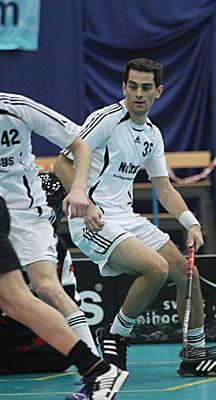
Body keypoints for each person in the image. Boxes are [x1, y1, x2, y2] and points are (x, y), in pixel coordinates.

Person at [54, 57, 216, 377]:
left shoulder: (152, 134)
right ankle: (115, 335)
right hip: (92, 219)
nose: (139, 93)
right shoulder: (106, 120)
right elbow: (62, 163)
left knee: (187, 273)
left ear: (158, 91)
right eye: (133, 86)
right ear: (124, 87)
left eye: (146, 87)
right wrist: (86, 203)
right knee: (156, 268)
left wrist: (191, 222)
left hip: (125, 216)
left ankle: (194, 355)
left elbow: (164, 189)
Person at [0, 94, 103, 364]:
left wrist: (79, 190)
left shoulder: (19, 109)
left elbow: (79, 145)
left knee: (47, 286)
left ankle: (95, 366)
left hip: (25, 213)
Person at [0, 195, 128, 399]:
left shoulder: (52, 244)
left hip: (21, 214)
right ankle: (96, 368)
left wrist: (79, 190)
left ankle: (96, 368)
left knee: (32, 293)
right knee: (17, 298)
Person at [0, 172, 88, 399]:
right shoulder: (6, 243)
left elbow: (68, 302)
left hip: (37, 339)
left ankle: (94, 368)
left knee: (60, 356)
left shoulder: (57, 248)